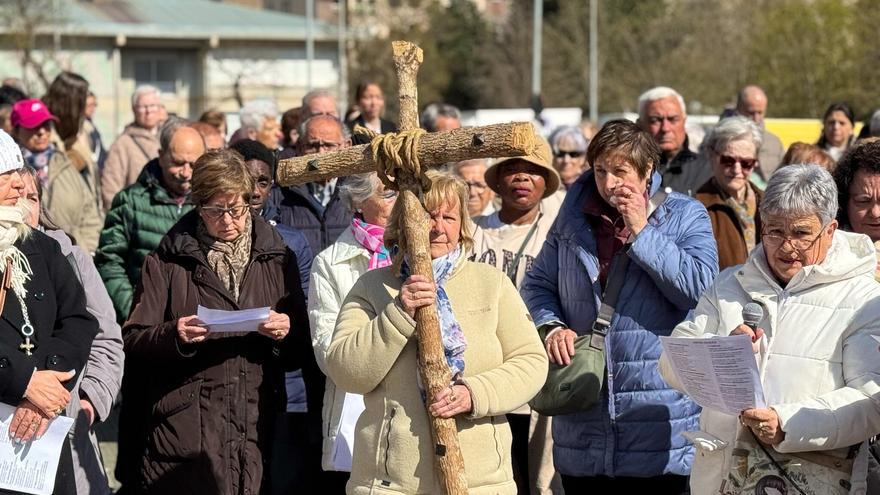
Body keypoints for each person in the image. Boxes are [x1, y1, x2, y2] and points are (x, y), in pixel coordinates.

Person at [521, 119, 718, 493]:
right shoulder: (572, 216)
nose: (609, 183)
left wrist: (644, 231)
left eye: (620, 171)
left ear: (647, 173)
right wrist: (551, 325)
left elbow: (702, 288)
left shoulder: (685, 214)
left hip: (659, 429)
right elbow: (538, 283)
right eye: (600, 171)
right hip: (583, 424)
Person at [660, 164, 880, 494]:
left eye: (802, 233)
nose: (786, 246)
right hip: (719, 477)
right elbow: (672, 365)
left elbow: (870, 404)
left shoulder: (863, 299)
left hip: (810, 479)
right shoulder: (730, 284)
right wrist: (721, 351)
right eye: (774, 231)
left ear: (830, 229)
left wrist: (787, 424)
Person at [325, 169, 547, 494]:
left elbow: (531, 363)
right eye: (427, 216)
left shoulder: (491, 284)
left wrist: (475, 394)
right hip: (391, 483)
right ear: (403, 223)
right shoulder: (373, 287)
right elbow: (346, 372)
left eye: (450, 217)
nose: (438, 227)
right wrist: (399, 314)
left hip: (480, 482)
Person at [117, 148, 313, 494]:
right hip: (188, 430)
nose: (227, 221)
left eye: (235, 209)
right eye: (214, 211)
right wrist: (173, 335)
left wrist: (285, 332)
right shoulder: (168, 260)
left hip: (256, 422)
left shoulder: (277, 256)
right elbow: (133, 340)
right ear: (198, 206)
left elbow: (301, 349)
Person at [0, 130, 99, 495]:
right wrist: (25, 381)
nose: (15, 185)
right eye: (4, 177)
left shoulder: (42, 247)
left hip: (39, 429)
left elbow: (77, 320)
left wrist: (48, 387)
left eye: (17, 174)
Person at [20, 165, 123, 495]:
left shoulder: (72, 257)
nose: (24, 206)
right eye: (14, 196)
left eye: (32, 197)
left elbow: (106, 336)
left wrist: (91, 396)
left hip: (67, 422)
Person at [471, 138, 563, 494]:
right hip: (484, 367)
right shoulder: (474, 230)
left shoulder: (558, 235)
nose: (522, 178)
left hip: (539, 367)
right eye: (512, 169)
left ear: (545, 183)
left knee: (539, 476)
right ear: (497, 181)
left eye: (532, 171)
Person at [306, 172, 397, 492]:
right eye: (387, 193)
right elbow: (328, 350)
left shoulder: (425, 248)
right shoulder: (331, 264)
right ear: (359, 202)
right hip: (358, 401)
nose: (398, 199)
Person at [95, 119, 206, 323]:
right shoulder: (130, 201)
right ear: (161, 156)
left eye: (194, 165)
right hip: (143, 322)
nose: (186, 173)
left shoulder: (209, 205)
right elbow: (109, 261)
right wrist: (133, 311)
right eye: (178, 163)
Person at [11, 98, 104, 253]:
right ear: (16, 131)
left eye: (46, 125)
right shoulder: (10, 172)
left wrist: (86, 250)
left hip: (73, 257)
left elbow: (90, 213)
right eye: (33, 126)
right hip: (28, 256)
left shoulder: (66, 164)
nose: (41, 132)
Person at [277, 115, 353, 255]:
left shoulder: (359, 192)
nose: (320, 154)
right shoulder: (282, 193)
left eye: (329, 145)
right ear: (299, 148)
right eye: (312, 146)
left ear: (347, 146)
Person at [695, 116, 764, 270]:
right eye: (728, 160)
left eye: (746, 163)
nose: (737, 170)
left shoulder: (769, 203)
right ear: (712, 156)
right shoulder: (697, 208)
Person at [42, 72, 102, 212]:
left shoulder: (82, 131)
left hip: (85, 219)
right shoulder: (42, 135)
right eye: (82, 96)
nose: (86, 102)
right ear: (70, 99)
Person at [637, 86, 708, 195]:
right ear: (640, 124)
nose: (665, 128)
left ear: (684, 121)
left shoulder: (708, 170)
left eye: (673, 119)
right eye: (655, 120)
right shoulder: (628, 171)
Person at [101, 85, 164, 209]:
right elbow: (110, 189)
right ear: (134, 109)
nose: (148, 110)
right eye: (143, 106)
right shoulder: (122, 144)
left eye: (153, 105)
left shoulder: (170, 137)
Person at [735, 85, 785, 184]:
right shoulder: (723, 142)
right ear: (738, 110)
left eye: (760, 112)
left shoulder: (774, 142)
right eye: (751, 112)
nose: (756, 118)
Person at [548, 125, 590, 190]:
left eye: (573, 154)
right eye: (560, 153)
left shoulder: (592, 187)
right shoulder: (545, 189)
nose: (566, 160)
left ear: (583, 158)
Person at [83, 91, 107, 172]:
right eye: (89, 105)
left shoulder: (91, 125)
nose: (92, 108)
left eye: (94, 105)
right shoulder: (82, 127)